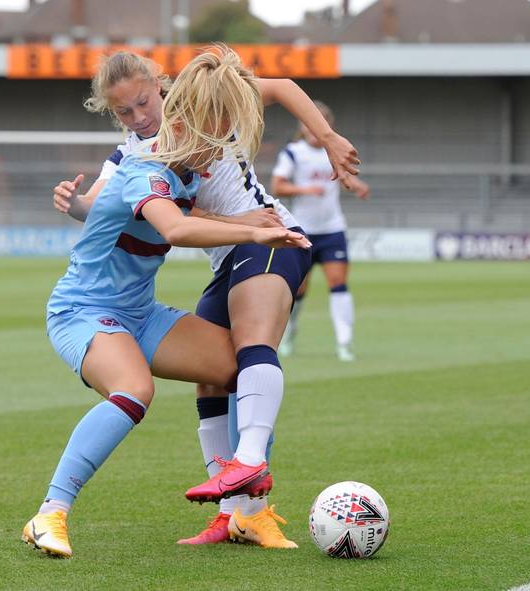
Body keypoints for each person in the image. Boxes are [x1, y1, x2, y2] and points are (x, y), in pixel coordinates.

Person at [52, 51, 361, 549]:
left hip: (268, 234)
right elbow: (104, 207)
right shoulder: (132, 152)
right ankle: (235, 514)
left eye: (143, 102)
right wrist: (75, 203)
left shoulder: (205, 98)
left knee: (252, 348)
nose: (139, 117)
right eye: (125, 112)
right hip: (227, 254)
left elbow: (279, 86)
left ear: (160, 83)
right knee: (212, 377)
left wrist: (328, 139)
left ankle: (251, 463)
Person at [272, 101, 370, 362]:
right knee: (299, 290)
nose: (313, 130)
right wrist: (305, 190)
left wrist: (356, 184)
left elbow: (343, 174)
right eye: (308, 124)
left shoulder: (332, 150)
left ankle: (344, 343)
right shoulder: (293, 153)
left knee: (338, 284)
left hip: (332, 228)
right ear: (303, 127)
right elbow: (278, 186)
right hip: (302, 230)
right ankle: (290, 334)